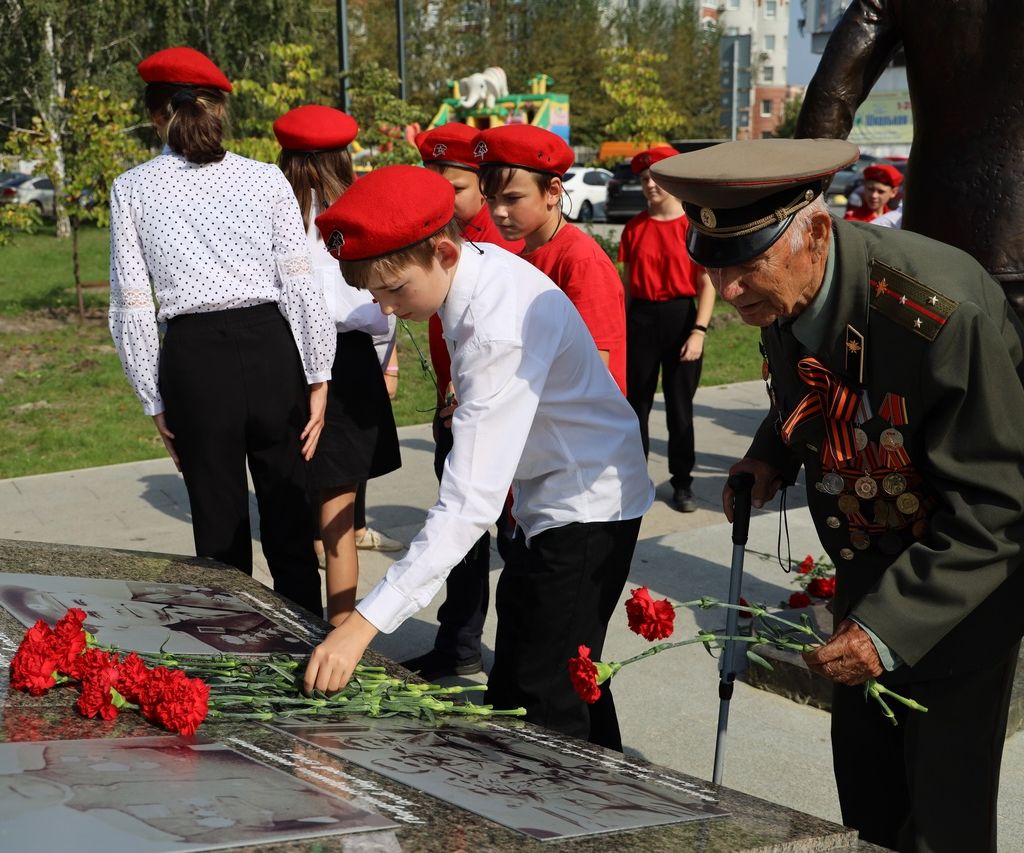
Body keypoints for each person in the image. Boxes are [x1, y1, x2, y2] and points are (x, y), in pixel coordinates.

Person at [651, 137, 1024, 852]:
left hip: (959, 594)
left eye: (747, 266)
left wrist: (887, 626)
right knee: (868, 799)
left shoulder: (937, 314)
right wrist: (770, 454)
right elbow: (816, 385)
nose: (729, 293)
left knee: (943, 814)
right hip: (866, 565)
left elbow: (999, 507)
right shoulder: (788, 285)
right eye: (716, 268)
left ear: (815, 232)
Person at [303, 166, 653, 750]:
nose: (387, 310)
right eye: (375, 295)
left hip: (586, 506)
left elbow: (468, 505)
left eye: (394, 290)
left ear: (442, 251)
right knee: (541, 668)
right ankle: (621, 791)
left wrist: (363, 625)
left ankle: (570, 823)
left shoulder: (496, 328)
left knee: (545, 699)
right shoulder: (474, 270)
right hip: (551, 499)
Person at [108, 47, 335, 616]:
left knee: (217, 524)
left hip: (194, 359)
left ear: (156, 115)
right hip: (271, 350)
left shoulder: (132, 188)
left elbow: (132, 306)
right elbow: (301, 284)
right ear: (219, 111)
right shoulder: (266, 179)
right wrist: (319, 372)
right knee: (287, 513)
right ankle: (307, 646)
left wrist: (151, 396)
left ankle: (235, 660)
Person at [795, 0, 1024, 319]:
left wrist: (794, 218)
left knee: (940, 364)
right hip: (958, 249)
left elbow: (832, 96)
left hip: (936, 244)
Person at [399, 122, 525, 680]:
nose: (442, 196)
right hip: (452, 400)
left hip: (489, 408)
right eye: (434, 182)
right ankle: (459, 643)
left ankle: (514, 655)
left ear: (483, 187)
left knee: (505, 534)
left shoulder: (489, 249)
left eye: (454, 186)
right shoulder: (437, 236)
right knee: (464, 541)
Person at [273, 104, 402, 626]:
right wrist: (387, 366)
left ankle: (296, 624)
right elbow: (386, 298)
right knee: (339, 526)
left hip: (285, 361)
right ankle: (340, 633)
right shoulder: (362, 210)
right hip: (349, 367)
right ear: (344, 157)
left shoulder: (269, 209)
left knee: (287, 514)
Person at [475, 124, 628, 395]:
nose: (498, 212)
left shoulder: (581, 262)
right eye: (491, 199)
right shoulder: (521, 256)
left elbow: (592, 368)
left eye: (512, 199)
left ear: (553, 191)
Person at [618, 145, 716, 513]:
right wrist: (620, 326)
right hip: (640, 320)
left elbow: (707, 283)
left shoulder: (693, 227)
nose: (649, 186)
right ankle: (633, 480)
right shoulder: (634, 227)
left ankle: (682, 483)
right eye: (644, 179)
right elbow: (628, 283)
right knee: (635, 407)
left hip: (681, 320)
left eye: (656, 178)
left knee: (680, 409)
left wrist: (699, 331)